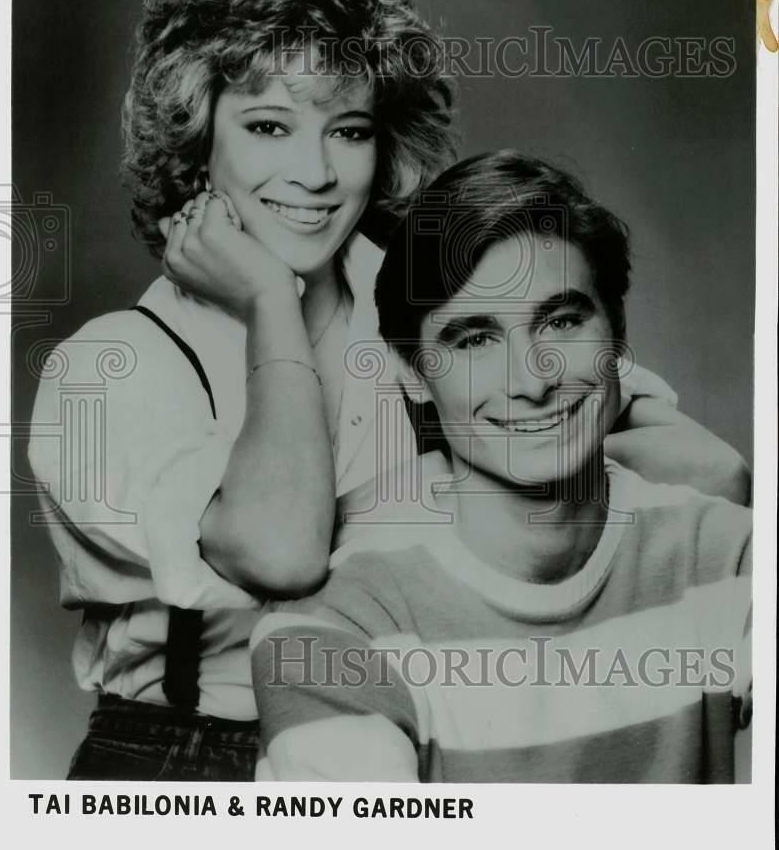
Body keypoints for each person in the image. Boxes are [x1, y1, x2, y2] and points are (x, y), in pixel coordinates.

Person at [28, 0, 746, 781]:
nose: (316, 173)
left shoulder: (428, 300)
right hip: (192, 761)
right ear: (195, 137)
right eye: (267, 127)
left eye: (349, 130)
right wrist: (269, 305)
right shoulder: (112, 371)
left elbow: (708, 477)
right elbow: (284, 553)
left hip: (429, 729)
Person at [251, 152, 752, 783]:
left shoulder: (733, 558)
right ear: (410, 372)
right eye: (475, 339)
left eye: (562, 322)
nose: (530, 380)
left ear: (618, 334)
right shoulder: (335, 624)